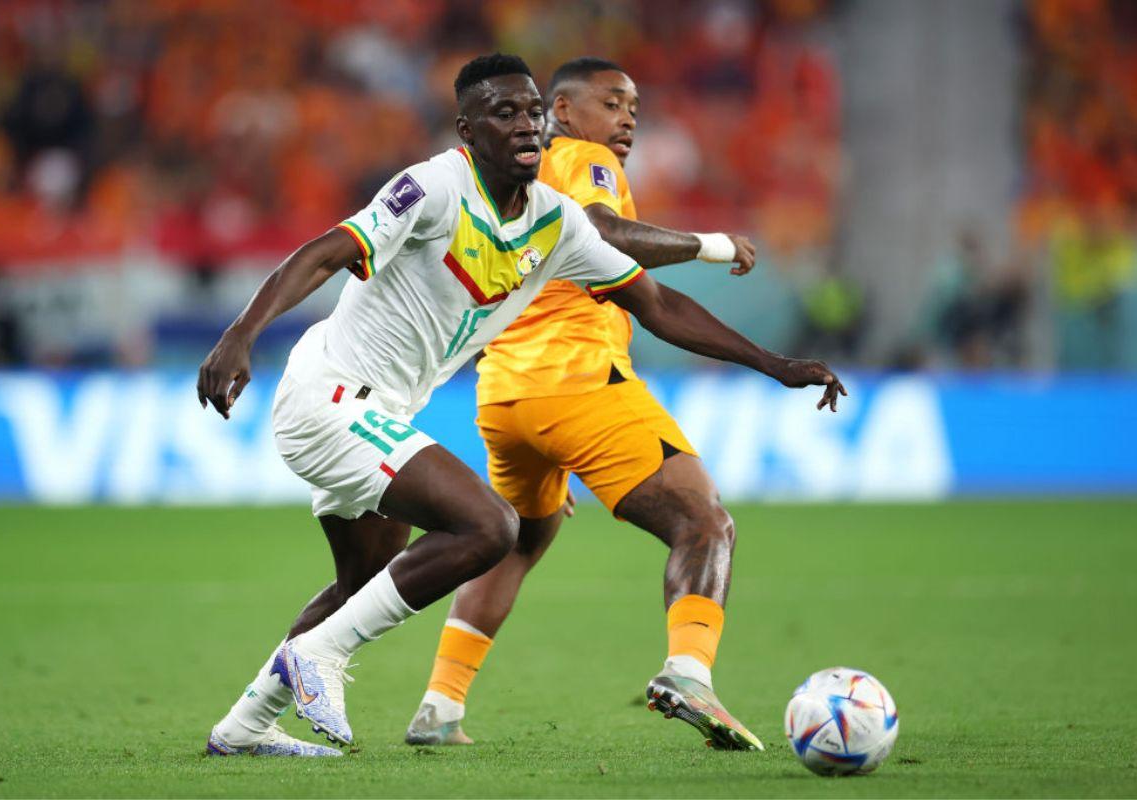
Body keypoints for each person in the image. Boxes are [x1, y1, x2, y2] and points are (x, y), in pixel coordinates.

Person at [199, 53, 845, 757]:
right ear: (467, 129)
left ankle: (246, 724)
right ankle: (319, 654)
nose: (525, 124)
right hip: (326, 395)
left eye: (532, 111)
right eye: (504, 113)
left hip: (382, 410)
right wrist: (241, 336)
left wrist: (770, 363)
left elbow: (656, 305)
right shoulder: (434, 186)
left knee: (360, 583)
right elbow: (327, 252)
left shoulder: (556, 222)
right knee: (489, 527)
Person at [403, 57, 768, 752]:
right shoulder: (584, 156)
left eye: (634, 105)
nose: (628, 117)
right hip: (576, 378)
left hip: (506, 391)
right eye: (612, 101)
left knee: (517, 543)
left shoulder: (511, 179)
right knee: (703, 521)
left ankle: (440, 706)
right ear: (561, 112)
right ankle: (688, 673)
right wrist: (711, 245)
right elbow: (601, 230)